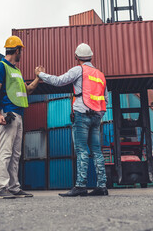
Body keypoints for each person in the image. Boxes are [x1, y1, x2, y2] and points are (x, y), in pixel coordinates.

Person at [35, 43, 109, 196]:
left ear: (76, 57)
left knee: (82, 150)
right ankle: (102, 186)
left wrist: (40, 75)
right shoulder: (100, 74)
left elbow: (58, 81)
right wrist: (99, 114)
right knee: (97, 152)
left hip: (82, 115)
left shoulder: (79, 70)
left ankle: (81, 186)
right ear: (91, 56)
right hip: (97, 116)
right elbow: (106, 99)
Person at [0, 36, 40, 199]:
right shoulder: (1, 67)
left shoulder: (16, 71)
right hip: (7, 114)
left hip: (19, 115)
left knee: (15, 153)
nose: (22, 54)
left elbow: (28, 91)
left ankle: (13, 187)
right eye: (21, 51)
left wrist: (38, 78)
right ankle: (1, 188)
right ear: (17, 50)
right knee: (5, 152)